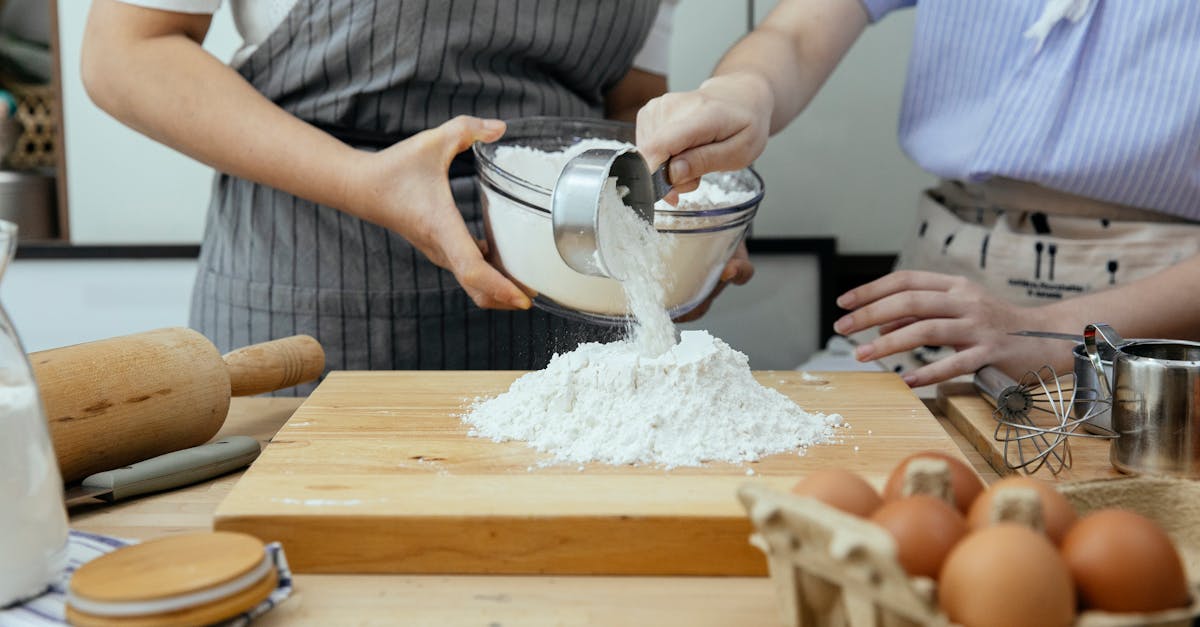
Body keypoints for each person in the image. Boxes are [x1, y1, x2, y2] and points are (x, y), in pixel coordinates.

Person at [82, 0, 749, 392]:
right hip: (315, 289)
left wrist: (675, 209)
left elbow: (627, 94)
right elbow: (124, 52)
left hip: (565, 303)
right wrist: (362, 182)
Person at [636, 0, 1200, 388]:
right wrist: (743, 93)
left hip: (1156, 342)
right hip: (943, 313)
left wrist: (1056, 338)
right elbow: (795, 33)